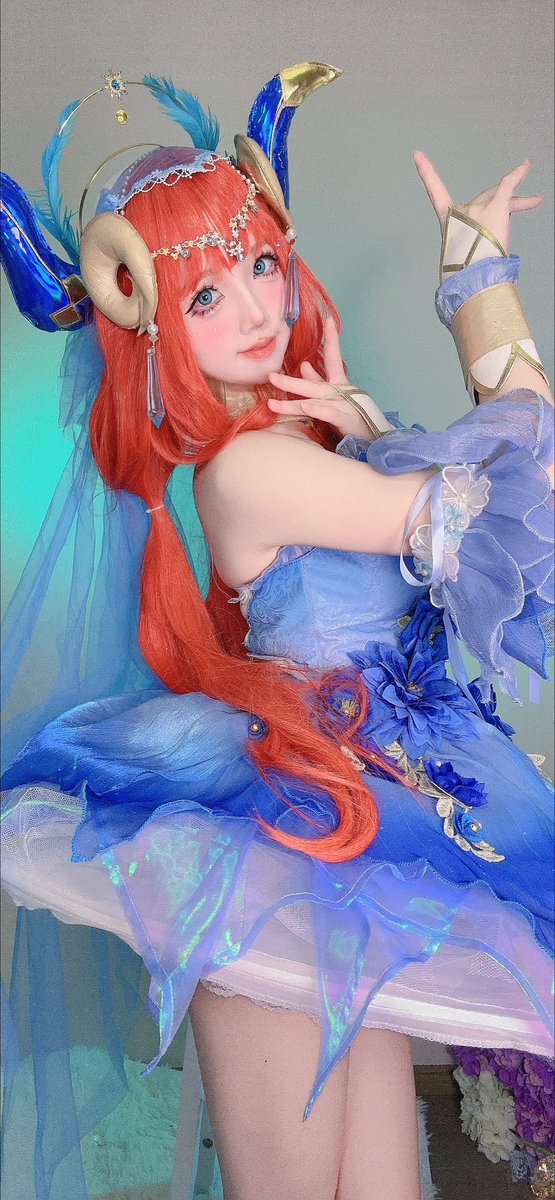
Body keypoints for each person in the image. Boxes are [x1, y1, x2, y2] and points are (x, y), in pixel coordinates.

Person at [1, 66, 553, 1200]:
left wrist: (368, 428)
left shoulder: (312, 439)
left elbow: (489, 528)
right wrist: (479, 294)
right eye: (205, 294)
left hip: (361, 828)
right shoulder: (247, 472)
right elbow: (526, 486)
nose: (258, 309)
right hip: (285, 852)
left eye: (260, 262)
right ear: (153, 329)